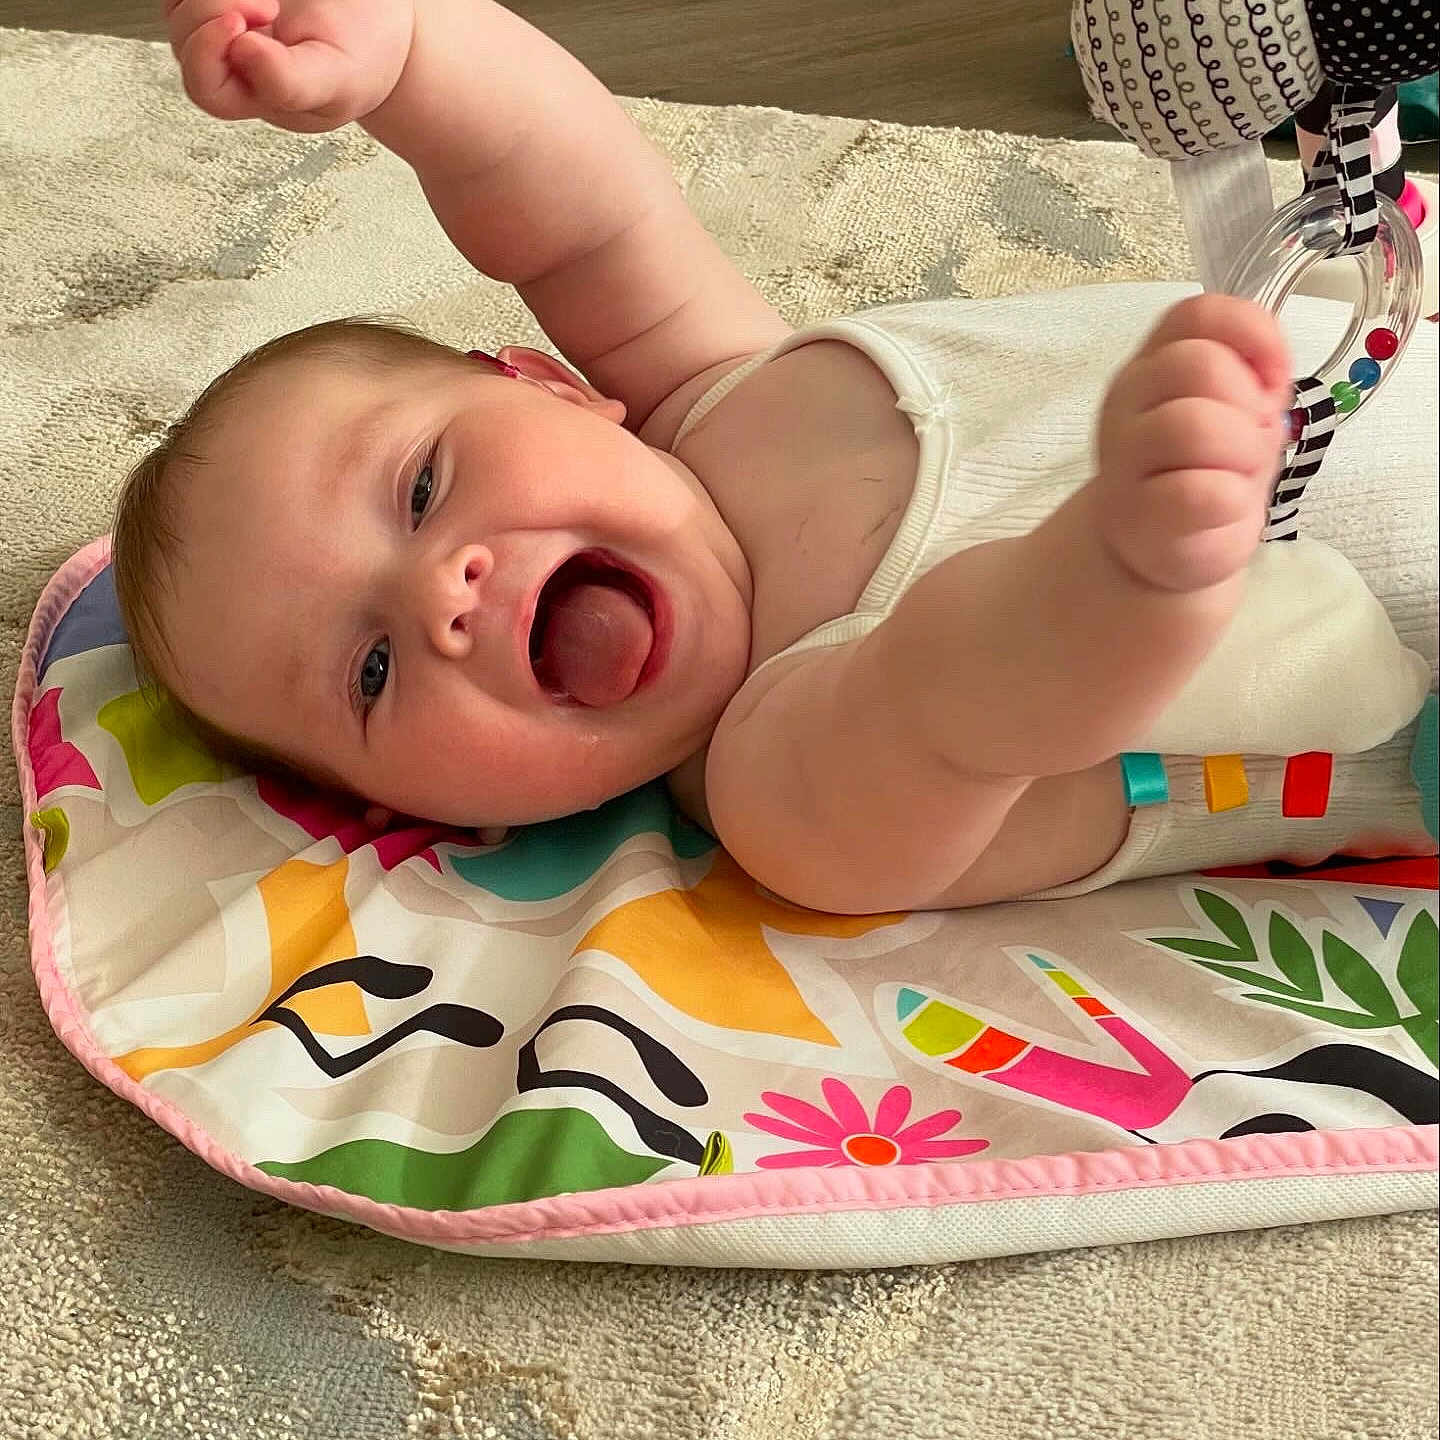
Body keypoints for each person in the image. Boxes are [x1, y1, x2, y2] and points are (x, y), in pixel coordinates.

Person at [113, 0, 1436, 913]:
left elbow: (568, 199)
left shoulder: (710, 389)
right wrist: (1130, 563)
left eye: (419, 488)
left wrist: (400, 51)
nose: (441, 593)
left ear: (551, 388)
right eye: (374, 670)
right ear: (440, 818)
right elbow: (964, 697)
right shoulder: (780, 792)